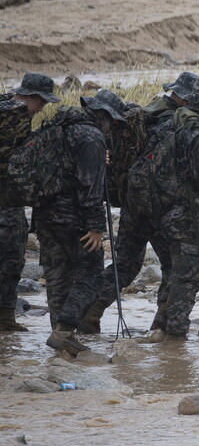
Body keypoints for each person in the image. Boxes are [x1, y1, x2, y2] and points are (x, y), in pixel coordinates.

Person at [86, 71, 198, 336]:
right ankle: (162, 324)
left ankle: (87, 314)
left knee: (125, 263)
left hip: (131, 203)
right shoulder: (177, 122)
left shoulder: (144, 114)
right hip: (160, 207)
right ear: (184, 98)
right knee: (173, 264)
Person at [138, 77, 199, 342]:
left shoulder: (169, 123)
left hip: (161, 213)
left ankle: (160, 325)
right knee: (189, 275)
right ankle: (175, 335)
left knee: (175, 272)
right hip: (187, 217)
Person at [43, 90, 121, 354]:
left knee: (57, 276)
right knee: (92, 276)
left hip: (46, 215)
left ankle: (59, 335)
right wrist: (96, 227)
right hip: (75, 219)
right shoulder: (92, 137)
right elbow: (91, 188)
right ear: (105, 116)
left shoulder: (58, 127)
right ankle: (65, 330)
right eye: (112, 120)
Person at [0, 73, 58, 333]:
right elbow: (21, 159)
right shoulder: (17, 114)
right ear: (32, 97)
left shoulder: (3, 104)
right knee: (12, 257)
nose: (42, 108)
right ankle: (4, 318)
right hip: (6, 200)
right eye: (42, 103)